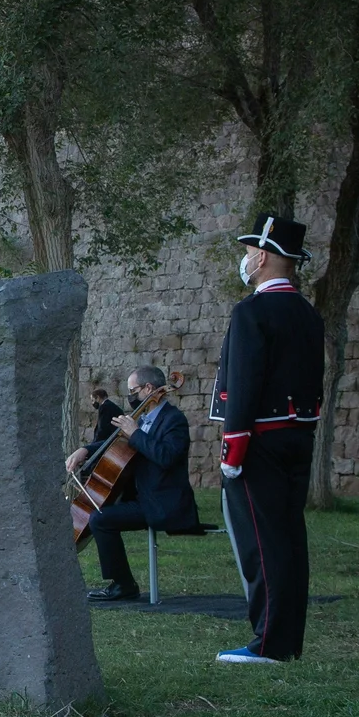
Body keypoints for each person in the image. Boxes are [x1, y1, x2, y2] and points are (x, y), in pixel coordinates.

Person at [210, 213, 325, 664]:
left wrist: (232, 449)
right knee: (290, 539)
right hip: (298, 435)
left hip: (260, 440)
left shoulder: (252, 310)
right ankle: (288, 640)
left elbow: (245, 384)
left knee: (263, 543)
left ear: (261, 255)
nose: (245, 259)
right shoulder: (307, 312)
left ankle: (268, 644)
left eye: (247, 251)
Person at [65, 366, 200, 602]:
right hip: (141, 499)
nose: (130, 396)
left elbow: (166, 457)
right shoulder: (142, 419)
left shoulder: (174, 420)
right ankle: (124, 583)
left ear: (149, 389)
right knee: (100, 516)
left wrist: (135, 433)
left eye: (132, 390)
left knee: (100, 519)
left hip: (164, 503)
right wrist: (85, 450)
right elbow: (115, 444)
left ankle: (123, 585)